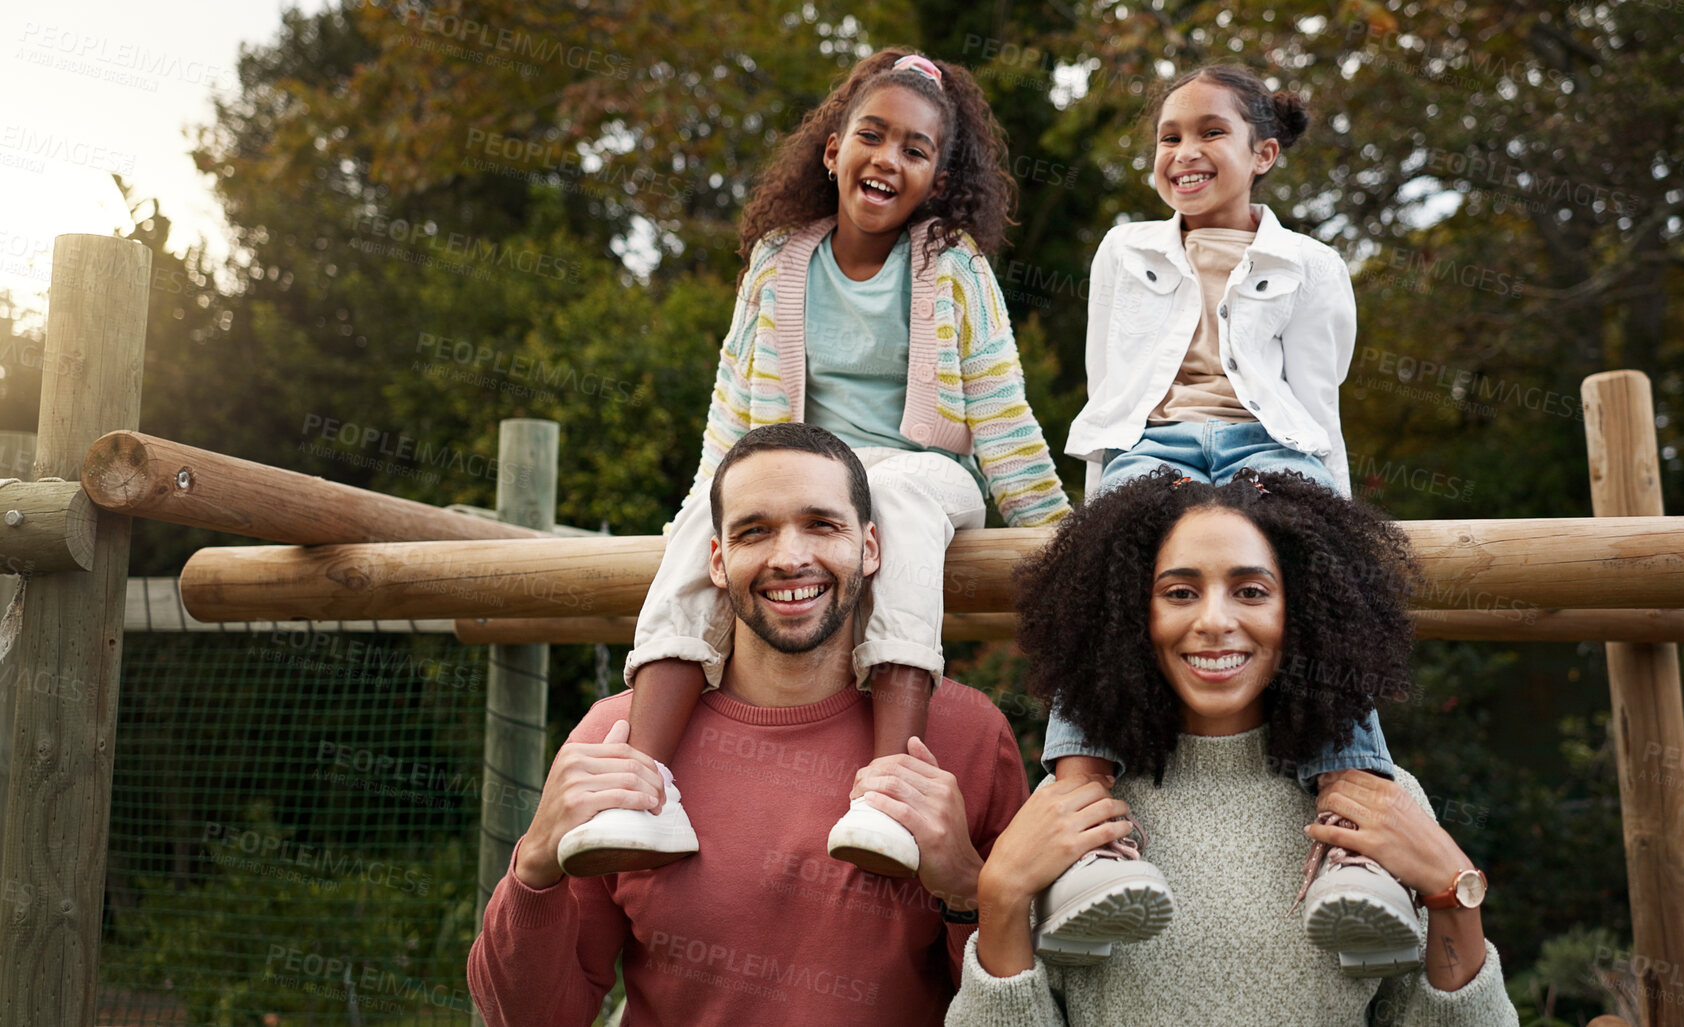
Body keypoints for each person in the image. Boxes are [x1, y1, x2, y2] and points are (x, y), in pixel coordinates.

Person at [556, 48, 1069, 881]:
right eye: (873, 135)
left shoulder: (954, 268)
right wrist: (704, 503)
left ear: (937, 179)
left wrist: (1053, 533)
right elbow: (732, 400)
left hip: (918, 471)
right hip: (800, 471)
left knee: (893, 501)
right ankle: (638, 786)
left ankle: (889, 789)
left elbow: (1004, 413)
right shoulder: (778, 261)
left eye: (916, 149)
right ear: (832, 150)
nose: (889, 158)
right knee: (707, 522)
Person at [469, 425, 1030, 1025]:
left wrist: (970, 891)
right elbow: (528, 1018)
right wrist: (534, 867)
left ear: (871, 549)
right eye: (754, 531)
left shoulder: (967, 736)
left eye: (821, 524)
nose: (790, 559)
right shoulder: (616, 741)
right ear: (716, 559)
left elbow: (1023, 1012)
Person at [1036, 64, 1404, 972]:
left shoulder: (1309, 265)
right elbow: (1108, 382)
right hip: (1151, 446)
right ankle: (1085, 830)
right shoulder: (1124, 251)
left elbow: (1318, 403)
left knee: (1313, 566)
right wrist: (1095, 524)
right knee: (1105, 576)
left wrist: (1339, 520)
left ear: (1262, 153)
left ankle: (1353, 839)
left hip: (1262, 444)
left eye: (1209, 133)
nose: (1183, 152)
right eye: (1167, 136)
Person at [946, 470, 1518, 1025]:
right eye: (1179, 592)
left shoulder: (1380, 803)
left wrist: (1453, 889)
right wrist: (999, 895)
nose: (1214, 621)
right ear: (1126, 613)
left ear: (1305, 610)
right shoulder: (1067, 812)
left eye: (1250, 591)